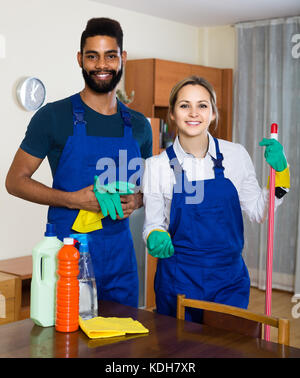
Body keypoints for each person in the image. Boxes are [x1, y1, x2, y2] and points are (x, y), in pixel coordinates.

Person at [6, 18, 153, 308]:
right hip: (70, 254)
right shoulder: (53, 117)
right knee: (68, 344)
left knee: (122, 343)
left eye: (110, 55)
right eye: (92, 56)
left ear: (122, 59)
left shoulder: (138, 126)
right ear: (80, 59)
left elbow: (151, 188)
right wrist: (73, 200)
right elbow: (15, 181)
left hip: (121, 257)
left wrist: (137, 200)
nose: (102, 65)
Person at [142, 76, 290, 322]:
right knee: (179, 353)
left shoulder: (236, 155)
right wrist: (153, 236)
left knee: (226, 349)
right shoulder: (156, 166)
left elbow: (260, 212)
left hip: (227, 282)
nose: (193, 113)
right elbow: (153, 224)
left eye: (202, 105)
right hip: (178, 281)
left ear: (212, 113)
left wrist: (281, 176)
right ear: (172, 113)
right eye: (184, 105)